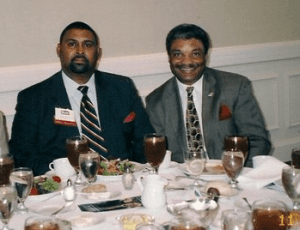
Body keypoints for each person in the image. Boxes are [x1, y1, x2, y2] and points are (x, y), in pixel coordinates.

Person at [10, 21, 155, 175]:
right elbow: (22, 156)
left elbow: (145, 141)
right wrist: (59, 176)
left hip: (121, 182)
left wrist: (134, 174)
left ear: (98, 52)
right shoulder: (33, 99)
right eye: (72, 44)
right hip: (65, 189)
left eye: (88, 45)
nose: (80, 51)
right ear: (59, 50)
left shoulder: (122, 87)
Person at [145, 23, 271, 167]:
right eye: (178, 54)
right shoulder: (156, 101)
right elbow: (159, 155)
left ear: (205, 56)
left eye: (195, 54)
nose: (187, 62)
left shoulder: (235, 86)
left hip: (229, 172)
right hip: (183, 179)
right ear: (169, 58)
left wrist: (235, 173)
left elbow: (257, 140)